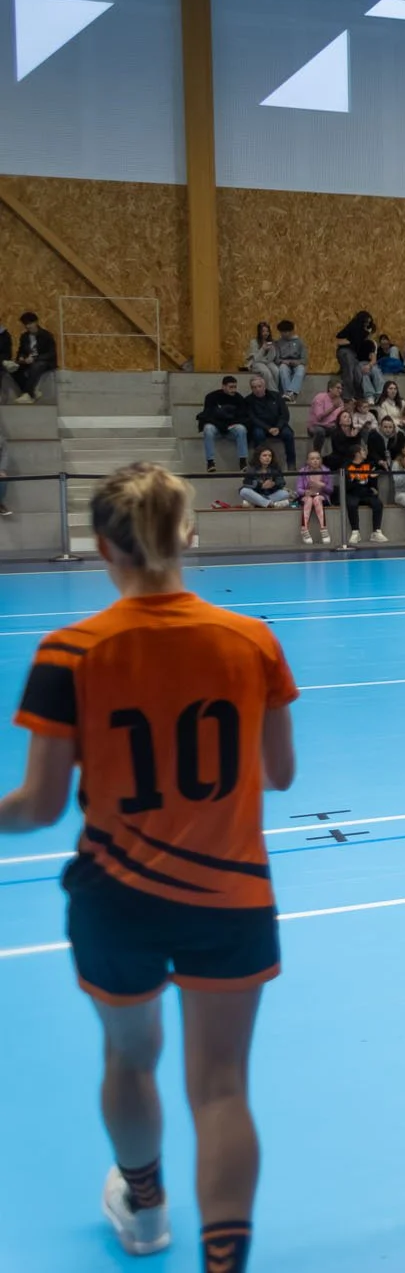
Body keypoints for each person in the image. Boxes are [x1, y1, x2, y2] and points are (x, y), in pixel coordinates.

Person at [0, 463, 297, 1272]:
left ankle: (145, 1205)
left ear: (102, 545)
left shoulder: (70, 652)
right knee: (223, 1087)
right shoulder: (251, 641)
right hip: (231, 894)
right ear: (188, 533)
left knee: (130, 1056)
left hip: (115, 897)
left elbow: (36, 805)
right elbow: (281, 773)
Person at [332, 412, 388, 545]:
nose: (365, 452)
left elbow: (374, 474)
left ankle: (376, 532)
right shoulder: (347, 466)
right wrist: (356, 479)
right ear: (357, 453)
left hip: (366, 492)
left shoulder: (368, 464)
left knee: (378, 503)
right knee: (351, 504)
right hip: (352, 492)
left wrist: (374, 485)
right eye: (363, 451)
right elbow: (347, 484)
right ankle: (355, 532)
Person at [197, 376, 250, 474]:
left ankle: (243, 462)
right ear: (223, 386)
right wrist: (221, 425)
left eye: (235, 387)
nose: (233, 390)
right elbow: (207, 415)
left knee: (241, 429)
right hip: (216, 427)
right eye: (231, 387)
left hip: (231, 428)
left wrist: (229, 425)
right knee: (208, 428)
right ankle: (210, 462)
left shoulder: (238, 398)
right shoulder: (211, 397)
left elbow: (243, 417)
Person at [241, 376, 294, 469]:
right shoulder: (248, 400)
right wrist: (268, 428)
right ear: (251, 388)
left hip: (278, 426)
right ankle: (259, 465)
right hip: (261, 427)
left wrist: (278, 427)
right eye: (254, 387)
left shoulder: (276, 396)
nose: (257, 389)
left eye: (259, 386)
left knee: (288, 434)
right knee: (258, 434)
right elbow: (252, 418)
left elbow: (285, 415)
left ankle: (291, 464)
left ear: (264, 386)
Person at [10, 311, 57, 403]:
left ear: (36, 322)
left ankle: (27, 394)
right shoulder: (24, 336)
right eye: (25, 324)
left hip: (44, 361)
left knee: (37, 365)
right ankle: (32, 392)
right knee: (13, 369)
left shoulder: (46, 335)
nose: (28, 326)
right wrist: (21, 357)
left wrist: (35, 359)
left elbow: (51, 353)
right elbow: (21, 351)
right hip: (29, 360)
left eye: (29, 323)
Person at [334, 310, 376, 402]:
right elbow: (339, 339)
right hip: (346, 352)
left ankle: (358, 396)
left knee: (357, 374)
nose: (367, 324)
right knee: (349, 373)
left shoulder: (357, 329)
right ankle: (347, 397)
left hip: (352, 354)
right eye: (366, 322)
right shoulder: (356, 328)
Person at [295, 450, 332, 544]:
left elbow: (330, 490)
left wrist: (322, 485)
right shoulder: (303, 471)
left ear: (321, 460)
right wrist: (305, 492)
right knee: (309, 500)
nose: (315, 461)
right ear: (307, 461)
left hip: (322, 496)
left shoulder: (326, 471)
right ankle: (304, 530)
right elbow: (299, 489)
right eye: (312, 459)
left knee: (316, 499)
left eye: (317, 458)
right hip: (307, 497)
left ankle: (324, 530)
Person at [242, 322, 280, 395]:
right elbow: (256, 358)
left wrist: (272, 350)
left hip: (267, 361)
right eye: (263, 331)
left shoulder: (272, 342)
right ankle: (274, 393)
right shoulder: (254, 342)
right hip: (256, 362)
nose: (265, 333)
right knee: (266, 372)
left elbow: (271, 358)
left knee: (276, 371)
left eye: (267, 331)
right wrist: (263, 349)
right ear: (259, 332)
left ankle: (274, 390)